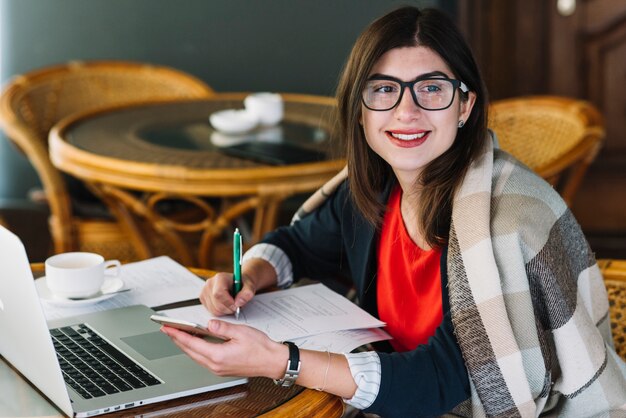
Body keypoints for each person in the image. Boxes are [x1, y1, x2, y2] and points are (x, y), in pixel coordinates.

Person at [160, 6, 626, 417]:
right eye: (384, 89)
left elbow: (443, 380)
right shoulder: (378, 189)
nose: (406, 111)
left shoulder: (501, 225)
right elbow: (298, 246)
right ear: (360, 110)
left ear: (464, 105)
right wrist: (248, 275)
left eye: (431, 88)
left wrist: (284, 362)